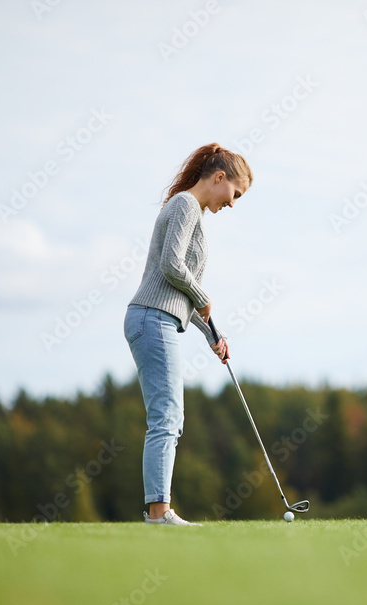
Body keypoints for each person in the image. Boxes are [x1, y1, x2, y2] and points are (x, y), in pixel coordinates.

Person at [124, 143, 252, 526]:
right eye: (236, 194)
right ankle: (159, 514)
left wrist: (212, 332)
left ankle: (158, 512)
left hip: (159, 317)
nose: (233, 203)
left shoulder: (189, 211)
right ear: (219, 178)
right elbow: (171, 266)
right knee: (166, 416)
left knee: (170, 417)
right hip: (152, 319)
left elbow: (178, 290)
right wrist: (203, 297)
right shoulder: (184, 206)